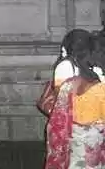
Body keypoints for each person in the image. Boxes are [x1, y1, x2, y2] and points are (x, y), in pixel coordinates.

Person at [45, 30, 105, 168]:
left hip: (71, 139)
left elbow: (59, 112)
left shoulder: (70, 83)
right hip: (93, 146)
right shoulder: (99, 88)